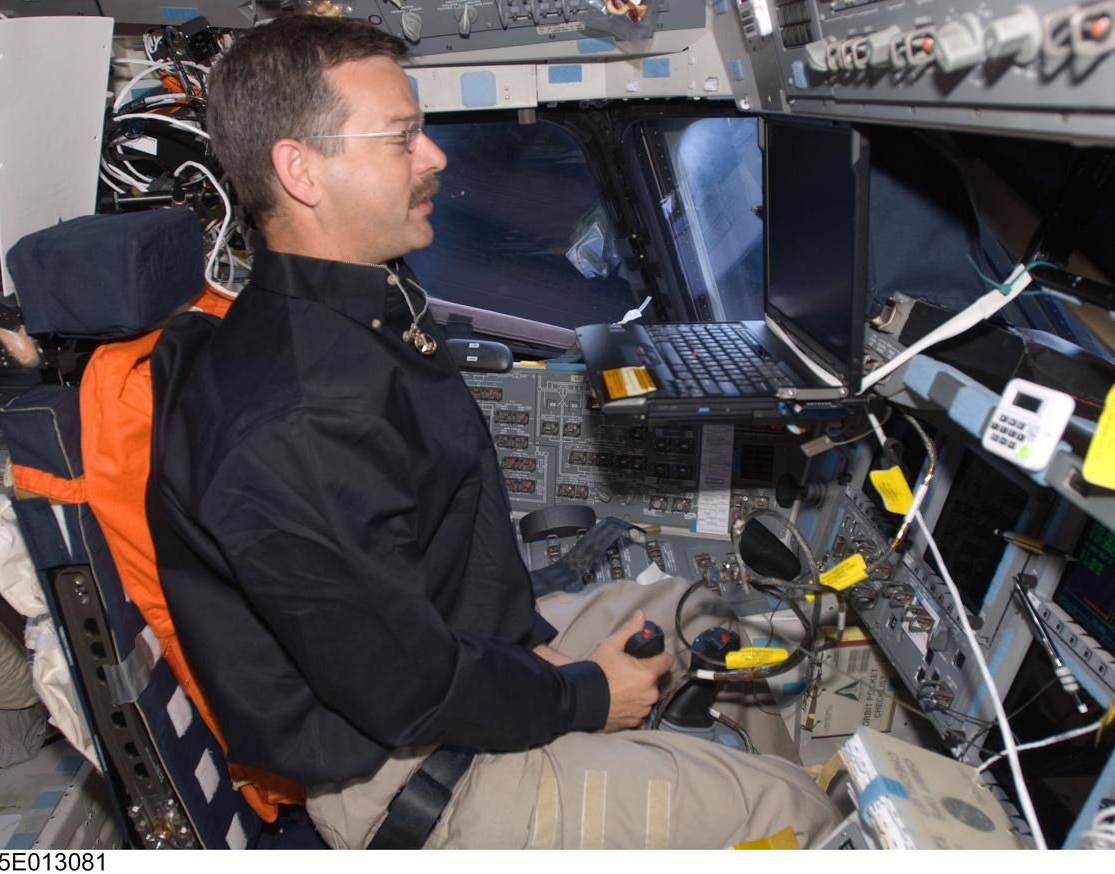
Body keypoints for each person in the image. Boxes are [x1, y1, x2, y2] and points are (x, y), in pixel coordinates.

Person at [146, 13, 838, 849]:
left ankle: (769, 769)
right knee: (784, 815)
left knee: (708, 615)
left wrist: (534, 664)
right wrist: (585, 697)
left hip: (461, 663)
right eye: (402, 137)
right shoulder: (293, 418)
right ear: (302, 170)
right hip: (408, 770)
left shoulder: (360, 311)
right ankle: (780, 803)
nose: (435, 155)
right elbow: (402, 688)